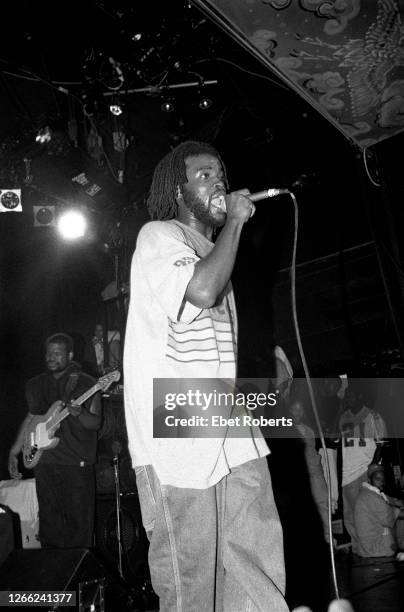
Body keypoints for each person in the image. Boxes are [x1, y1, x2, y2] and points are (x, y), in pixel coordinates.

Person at [124, 141, 288, 611]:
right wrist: (236, 220)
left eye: (220, 174)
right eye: (203, 176)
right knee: (191, 580)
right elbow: (199, 289)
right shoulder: (159, 235)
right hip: (176, 419)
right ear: (178, 191)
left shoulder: (219, 254)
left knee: (255, 562)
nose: (218, 183)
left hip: (228, 416)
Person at [8, 333, 102, 548]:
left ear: (70, 355)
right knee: (50, 527)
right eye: (49, 353)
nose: (51, 357)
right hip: (46, 463)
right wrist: (14, 452)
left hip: (76, 463)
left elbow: (96, 423)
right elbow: (32, 418)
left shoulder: (87, 383)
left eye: (57, 353)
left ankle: (77, 576)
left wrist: (79, 414)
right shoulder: (36, 384)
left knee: (79, 528)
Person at [338, 379, 387, 554]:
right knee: (350, 516)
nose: (348, 399)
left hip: (364, 471)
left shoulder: (373, 416)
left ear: (359, 396)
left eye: (351, 395)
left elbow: (381, 444)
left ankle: (374, 549)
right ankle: (360, 551)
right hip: (347, 474)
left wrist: (372, 469)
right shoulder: (343, 417)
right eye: (347, 396)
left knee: (366, 515)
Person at [288, 398, 331, 543]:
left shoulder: (309, 430)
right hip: (296, 473)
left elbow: (312, 451)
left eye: (300, 410)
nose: (297, 413)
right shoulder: (283, 429)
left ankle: (327, 537)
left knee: (322, 501)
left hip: (314, 471)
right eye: (294, 409)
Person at [354, 463, 404, 557]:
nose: (382, 482)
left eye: (383, 479)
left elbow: (394, 501)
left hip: (367, 548)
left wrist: (399, 503)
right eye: (377, 479)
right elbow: (391, 516)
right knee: (399, 520)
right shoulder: (370, 497)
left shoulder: (369, 492)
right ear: (369, 480)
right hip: (376, 549)